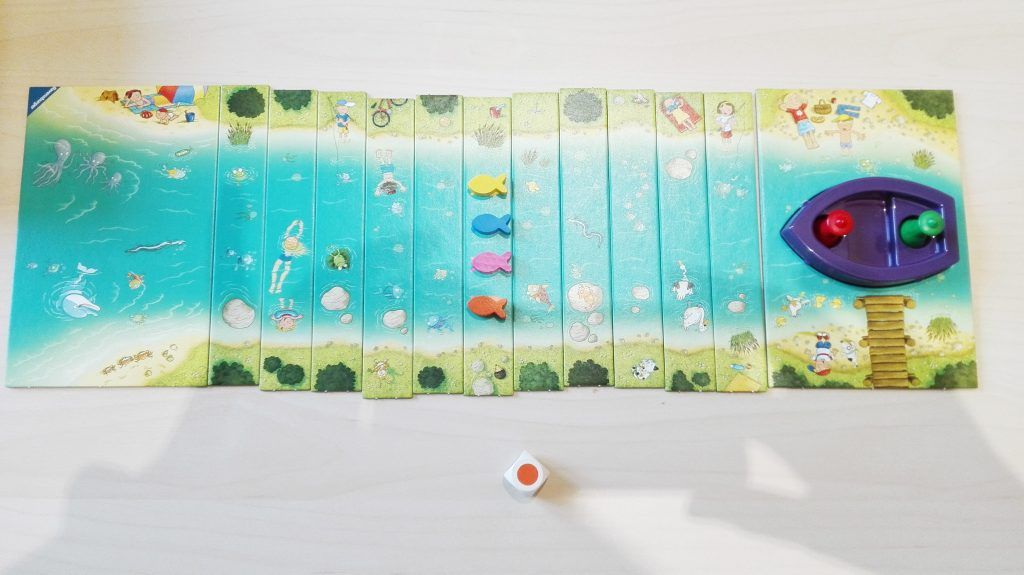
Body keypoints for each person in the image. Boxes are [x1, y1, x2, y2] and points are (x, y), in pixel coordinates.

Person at [268, 220, 307, 294]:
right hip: (285, 257)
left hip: (286, 257)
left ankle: (277, 286)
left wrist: (295, 224)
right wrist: (295, 224)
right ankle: (275, 286)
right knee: (279, 270)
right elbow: (294, 231)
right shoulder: (294, 238)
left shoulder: (291, 238)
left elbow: (290, 230)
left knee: (279, 270)